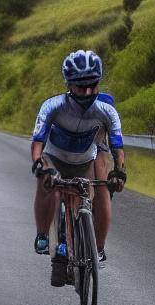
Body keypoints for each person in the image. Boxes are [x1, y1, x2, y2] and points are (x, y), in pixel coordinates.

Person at [30, 49, 126, 286]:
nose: (86, 92)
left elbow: (117, 146)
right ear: (69, 85)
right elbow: (38, 142)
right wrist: (39, 165)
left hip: (85, 160)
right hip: (55, 157)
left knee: (102, 191)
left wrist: (120, 171)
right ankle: (43, 234)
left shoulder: (106, 111)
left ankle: (97, 249)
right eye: (80, 87)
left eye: (92, 86)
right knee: (47, 184)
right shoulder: (52, 106)